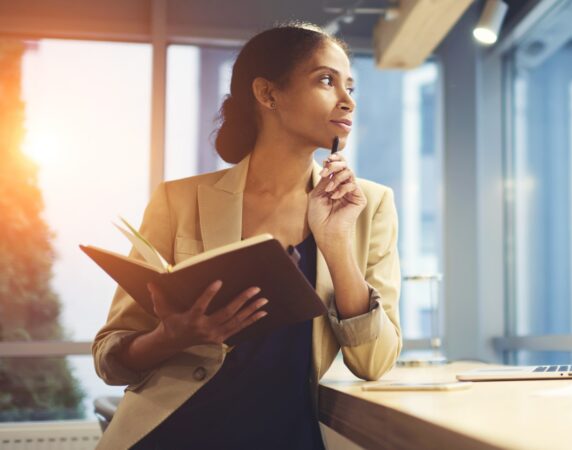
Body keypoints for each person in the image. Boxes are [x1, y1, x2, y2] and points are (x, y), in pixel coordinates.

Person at [91, 22, 402, 449]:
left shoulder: (369, 205)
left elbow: (374, 362)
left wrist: (336, 246)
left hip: (288, 437)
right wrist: (172, 337)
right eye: (326, 80)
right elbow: (111, 358)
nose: (347, 100)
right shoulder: (178, 201)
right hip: (174, 433)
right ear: (268, 94)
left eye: (350, 86)